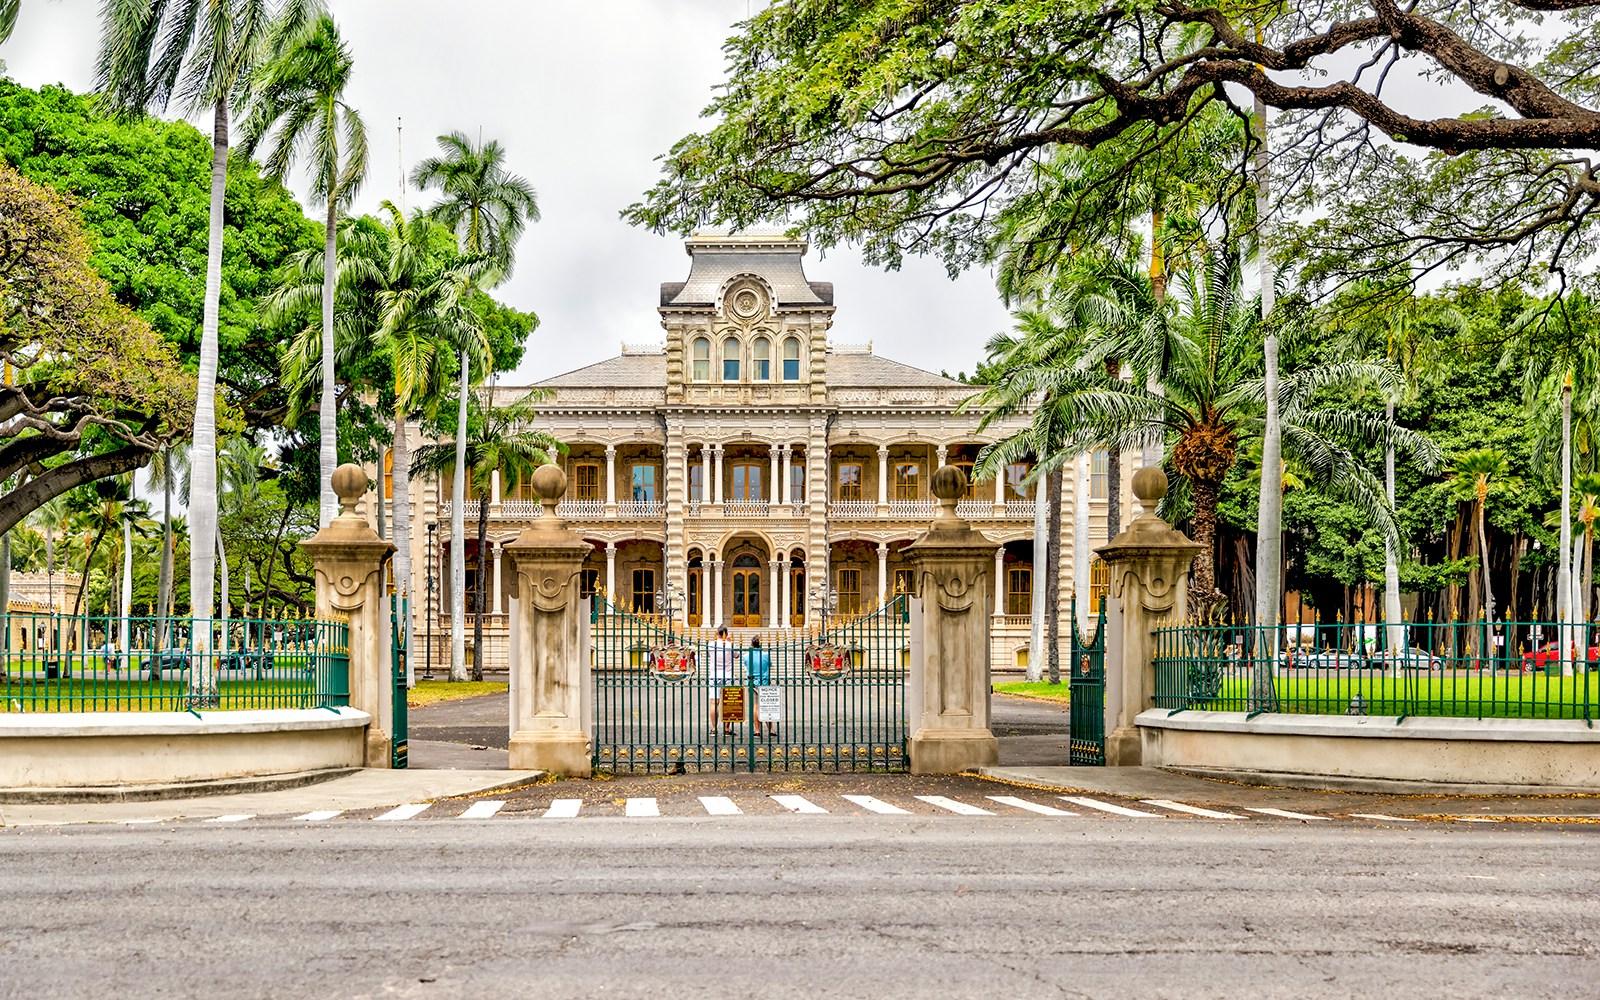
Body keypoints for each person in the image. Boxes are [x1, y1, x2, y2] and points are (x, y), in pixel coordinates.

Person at [707, 624, 740, 737]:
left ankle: (713, 728)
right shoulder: (730, 645)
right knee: (728, 702)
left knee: (713, 702)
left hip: (714, 675)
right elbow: (737, 656)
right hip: (728, 675)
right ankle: (727, 728)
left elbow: (708, 655)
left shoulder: (711, 644)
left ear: (717, 633)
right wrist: (730, 641)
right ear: (726, 633)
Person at [743, 635, 774, 738]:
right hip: (764, 682)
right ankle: (770, 729)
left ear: (751, 644)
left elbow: (746, 665)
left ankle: (757, 730)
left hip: (752, 683)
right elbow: (770, 665)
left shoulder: (747, 655)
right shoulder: (766, 654)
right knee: (767, 706)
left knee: (756, 706)